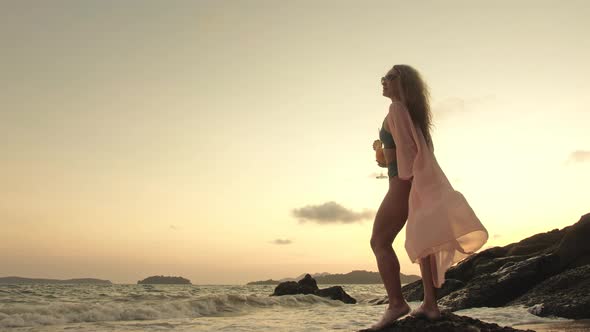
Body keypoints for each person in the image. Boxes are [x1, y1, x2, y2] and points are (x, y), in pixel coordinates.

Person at [367, 65, 489, 331]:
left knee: (379, 241)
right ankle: (430, 305)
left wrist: (392, 166)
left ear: (404, 83)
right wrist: (387, 158)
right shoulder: (414, 114)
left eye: (390, 77)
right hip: (416, 182)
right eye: (383, 78)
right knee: (426, 243)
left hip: (402, 182)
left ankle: (396, 304)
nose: (383, 81)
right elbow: (417, 150)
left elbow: (406, 157)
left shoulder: (396, 110)